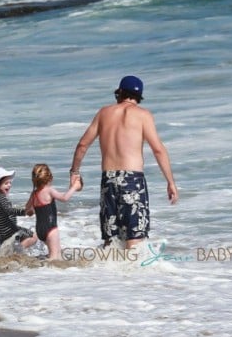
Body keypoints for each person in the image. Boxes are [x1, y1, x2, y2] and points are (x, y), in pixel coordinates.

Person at [70, 75, 178, 250]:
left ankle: (107, 275)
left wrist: (74, 172)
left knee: (110, 241)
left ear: (120, 92)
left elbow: (82, 145)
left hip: (109, 181)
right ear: (139, 97)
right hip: (132, 181)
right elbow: (158, 149)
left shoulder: (104, 113)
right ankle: (132, 277)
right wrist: (170, 182)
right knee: (134, 240)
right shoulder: (143, 115)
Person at [25, 164, 81, 260]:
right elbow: (64, 198)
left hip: (40, 230)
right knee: (54, 259)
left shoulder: (34, 194)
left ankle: (43, 270)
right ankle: (43, 273)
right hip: (51, 229)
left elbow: (27, 210)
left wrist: (31, 211)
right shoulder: (49, 190)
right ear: (50, 178)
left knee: (58, 254)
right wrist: (74, 187)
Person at [0, 167, 37, 251]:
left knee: (27, 236)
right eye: (6, 183)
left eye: (10, 182)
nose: (9, 185)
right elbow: (9, 210)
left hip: (2, 233)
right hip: (10, 231)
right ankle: (17, 252)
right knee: (34, 237)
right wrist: (25, 212)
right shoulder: (0, 197)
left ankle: (13, 251)